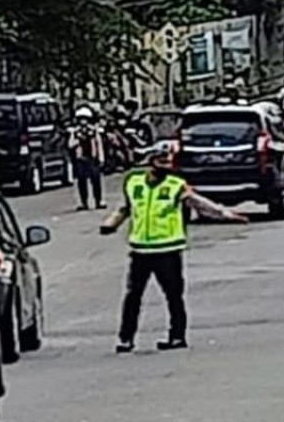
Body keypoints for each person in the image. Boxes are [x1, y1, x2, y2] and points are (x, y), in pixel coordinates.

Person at [100, 149, 248, 353]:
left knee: (173, 296)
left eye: (168, 162)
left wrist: (226, 214)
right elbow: (124, 209)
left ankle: (177, 336)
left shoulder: (175, 185)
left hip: (167, 249)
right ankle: (126, 338)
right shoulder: (134, 183)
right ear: (151, 163)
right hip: (141, 249)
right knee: (133, 296)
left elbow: (199, 203)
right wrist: (110, 224)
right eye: (162, 162)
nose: (167, 166)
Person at [71, 107, 106, 210]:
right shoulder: (75, 132)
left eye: (85, 119)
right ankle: (83, 202)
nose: (83, 121)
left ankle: (98, 201)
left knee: (96, 180)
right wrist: (77, 142)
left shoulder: (94, 131)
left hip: (92, 158)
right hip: (81, 159)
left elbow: (99, 144)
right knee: (81, 181)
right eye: (81, 119)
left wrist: (101, 158)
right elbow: (70, 144)